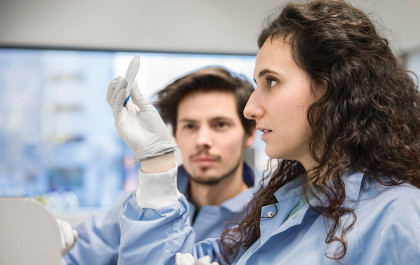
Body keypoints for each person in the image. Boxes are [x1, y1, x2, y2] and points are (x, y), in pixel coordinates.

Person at [107, 0, 420, 264]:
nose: (250, 109)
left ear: (333, 87)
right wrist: (158, 163)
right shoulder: (281, 207)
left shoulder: (398, 215)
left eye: (271, 81)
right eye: (257, 84)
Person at [61, 66, 257, 264]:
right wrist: (48, 246)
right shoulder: (143, 203)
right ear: (175, 134)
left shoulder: (264, 218)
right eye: (189, 126)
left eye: (220, 125)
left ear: (250, 134)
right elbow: (78, 254)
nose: (202, 140)